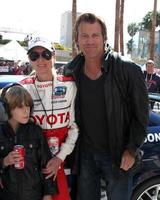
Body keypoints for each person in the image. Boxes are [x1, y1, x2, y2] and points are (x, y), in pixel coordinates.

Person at [63, 13, 149, 200]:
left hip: (118, 154)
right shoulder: (70, 71)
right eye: (84, 35)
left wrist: (131, 150)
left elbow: (141, 115)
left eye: (95, 35)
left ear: (104, 37)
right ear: (77, 39)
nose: (89, 41)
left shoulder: (127, 69)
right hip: (85, 155)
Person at [23, 36, 79, 200]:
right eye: (34, 56)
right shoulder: (23, 87)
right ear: (29, 60)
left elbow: (75, 128)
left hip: (60, 160)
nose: (40, 60)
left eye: (45, 54)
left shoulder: (70, 85)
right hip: (31, 163)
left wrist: (59, 158)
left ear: (53, 56)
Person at [0, 84, 57, 200]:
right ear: (8, 108)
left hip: (33, 195)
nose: (26, 111)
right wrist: (4, 161)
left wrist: (48, 194)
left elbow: (46, 164)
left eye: (28, 106)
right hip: (7, 195)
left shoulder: (35, 131)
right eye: (20, 107)